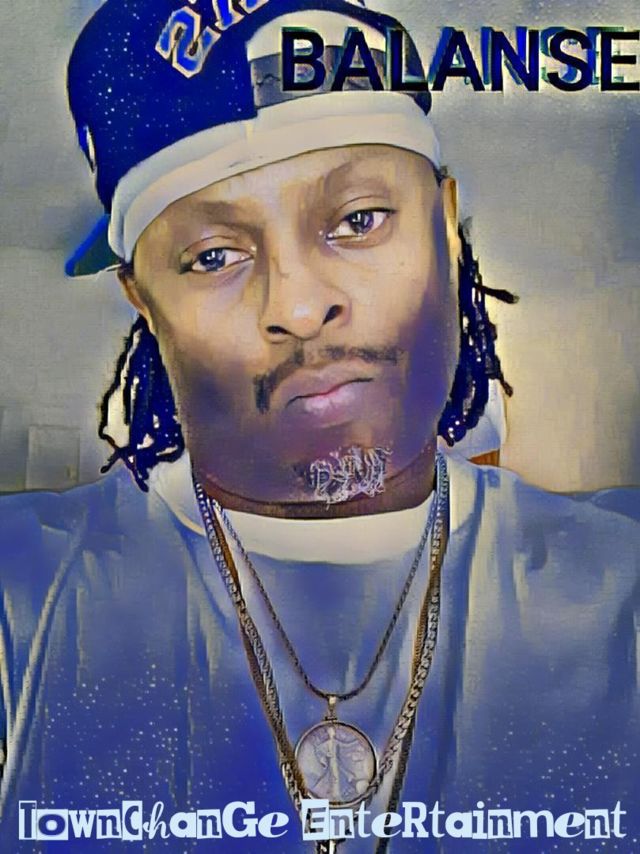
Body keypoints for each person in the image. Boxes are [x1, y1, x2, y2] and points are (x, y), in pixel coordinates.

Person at [0, 0, 637, 850]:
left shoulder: (621, 583)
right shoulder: (24, 597)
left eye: (358, 219)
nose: (299, 307)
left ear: (446, 228)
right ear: (143, 301)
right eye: (214, 256)